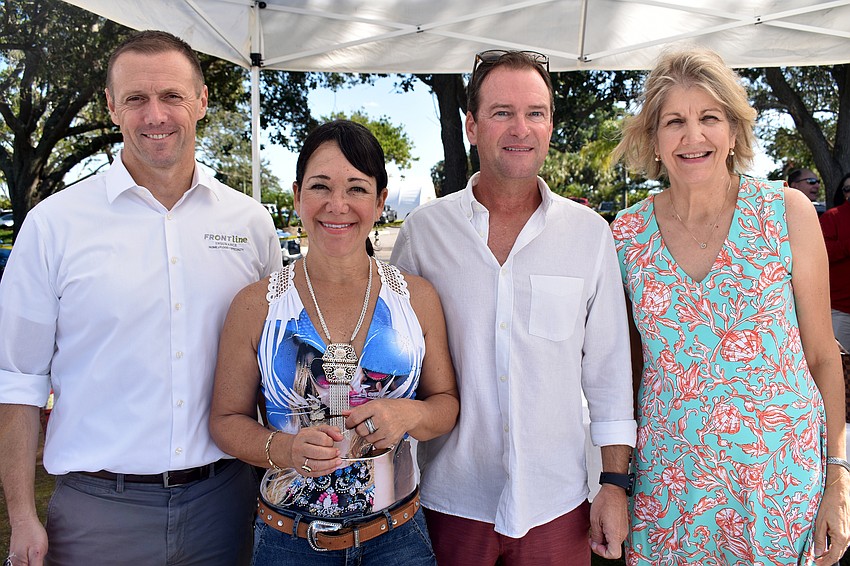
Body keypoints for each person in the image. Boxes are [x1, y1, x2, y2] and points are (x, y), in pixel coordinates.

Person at [0, 30, 282, 566]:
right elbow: (18, 380)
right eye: (136, 99)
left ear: (201, 101)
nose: (155, 115)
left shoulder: (249, 223)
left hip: (225, 503)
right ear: (112, 108)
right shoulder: (53, 225)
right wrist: (21, 517)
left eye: (172, 96)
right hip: (96, 514)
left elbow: (273, 362)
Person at [390, 50, 636, 564]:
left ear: (550, 125)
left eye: (536, 113)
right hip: (451, 501)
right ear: (472, 127)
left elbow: (610, 375)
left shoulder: (589, 235)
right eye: (502, 112)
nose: (520, 128)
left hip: (558, 503)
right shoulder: (423, 235)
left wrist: (613, 482)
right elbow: (397, 367)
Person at [611, 47, 850, 564]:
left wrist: (839, 478)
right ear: (653, 140)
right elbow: (625, 373)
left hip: (780, 492)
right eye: (674, 121)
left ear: (735, 132)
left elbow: (823, 357)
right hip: (670, 493)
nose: (692, 136)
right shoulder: (625, 236)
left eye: (709, 118)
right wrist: (616, 482)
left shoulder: (786, 213)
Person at [209, 119, 459, 565]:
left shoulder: (417, 298)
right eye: (320, 186)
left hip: (398, 539)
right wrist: (284, 449)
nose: (337, 205)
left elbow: (446, 404)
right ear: (297, 196)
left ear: (381, 200)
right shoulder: (256, 305)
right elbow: (226, 421)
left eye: (357, 189)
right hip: (290, 542)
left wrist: (407, 413)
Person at [820, 172, 850, 350]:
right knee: (841, 366)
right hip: (841, 309)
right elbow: (822, 253)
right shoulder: (833, 217)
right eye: (848, 189)